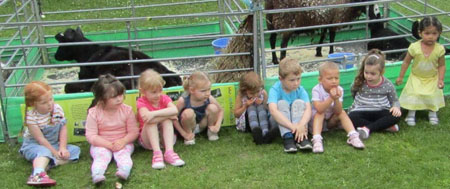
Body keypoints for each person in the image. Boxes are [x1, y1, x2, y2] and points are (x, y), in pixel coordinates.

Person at [19, 81, 80, 187]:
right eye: (44, 102)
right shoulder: (31, 117)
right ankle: (37, 175)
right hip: (35, 145)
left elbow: (63, 129)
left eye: (51, 99)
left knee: (75, 150)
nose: (50, 104)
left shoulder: (57, 109)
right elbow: (40, 139)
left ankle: (48, 164)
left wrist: (62, 148)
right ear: (33, 104)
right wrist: (54, 152)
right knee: (45, 151)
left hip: (54, 144)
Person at [85, 74, 139, 184]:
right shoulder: (94, 113)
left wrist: (123, 141)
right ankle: (97, 174)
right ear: (102, 98)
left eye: (120, 95)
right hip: (101, 143)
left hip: (123, 142)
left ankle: (124, 171)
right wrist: (108, 145)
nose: (119, 99)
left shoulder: (127, 110)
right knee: (101, 156)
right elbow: (91, 135)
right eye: (114, 97)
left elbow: (133, 131)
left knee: (124, 155)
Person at [396, 16, 446, 126]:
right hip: (416, 77)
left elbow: (441, 65)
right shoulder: (414, 47)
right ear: (420, 33)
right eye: (427, 33)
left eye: (434, 34)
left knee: (432, 94)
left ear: (439, 33)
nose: (430, 37)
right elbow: (406, 62)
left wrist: (440, 79)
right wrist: (401, 76)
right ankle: (411, 114)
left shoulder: (440, 49)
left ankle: (432, 113)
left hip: (432, 77)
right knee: (414, 94)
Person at [309, 62, 365, 153]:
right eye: (329, 78)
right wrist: (331, 98)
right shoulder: (316, 89)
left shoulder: (340, 90)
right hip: (317, 123)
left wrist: (336, 99)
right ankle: (317, 139)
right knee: (320, 113)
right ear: (320, 79)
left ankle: (353, 136)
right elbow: (319, 108)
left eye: (336, 78)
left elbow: (338, 111)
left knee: (342, 112)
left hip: (331, 123)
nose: (334, 81)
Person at [137, 69, 185, 169]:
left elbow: (175, 110)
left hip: (166, 139)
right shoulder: (141, 102)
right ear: (143, 91)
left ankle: (169, 152)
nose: (158, 95)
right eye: (154, 92)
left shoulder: (164, 98)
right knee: (151, 122)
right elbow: (147, 118)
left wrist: (154, 114)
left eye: (160, 90)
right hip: (147, 140)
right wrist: (167, 115)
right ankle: (157, 154)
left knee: (166, 121)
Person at [349, 49, 402, 140]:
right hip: (362, 111)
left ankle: (367, 128)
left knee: (396, 116)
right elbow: (353, 93)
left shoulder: (388, 84)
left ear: (381, 72)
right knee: (351, 117)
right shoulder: (358, 82)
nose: (368, 76)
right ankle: (384, 126)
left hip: (380, 111)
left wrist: (396, 107)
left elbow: (394, 100)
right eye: (366, 72)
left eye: (373, 74)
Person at [268, 58, 313, 153]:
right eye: (292, 80)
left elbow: (308, 109)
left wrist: (301, 125)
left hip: (297, 123)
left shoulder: (300, 90)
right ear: (281, 79)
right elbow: (273, 111)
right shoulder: (275, 90)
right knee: (281, 103)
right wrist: (293, 127)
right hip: (280, 122)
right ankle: (288, 137)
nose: (296, 83)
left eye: (298, 79)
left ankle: (301, 137)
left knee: (299, 103)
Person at [173, 71, 223, 145]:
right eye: (203, 91)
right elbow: (173, 117)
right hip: (188, 126)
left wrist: (217, 125)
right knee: (188, 113)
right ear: (192, 90)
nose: (208, 93)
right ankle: (189, 136)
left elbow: (220, 110)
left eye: (209, 89)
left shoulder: (209, 98)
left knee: (213, 108)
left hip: (202, 124)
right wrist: (183, 133)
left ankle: (211, 132)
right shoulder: (183, 100)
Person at [234, 72, 277, 144]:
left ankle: (265, 133)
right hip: (246, 123)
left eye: (257, 92)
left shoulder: (263, 93)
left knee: (261, 107)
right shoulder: (241, 96)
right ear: (245, 90)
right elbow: (236, 114)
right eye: (251, 93)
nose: (255, 95)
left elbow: (268, 109)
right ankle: (256, 133)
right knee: (251, 108)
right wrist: (245, 106)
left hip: (262, 120)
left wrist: (263, 102)